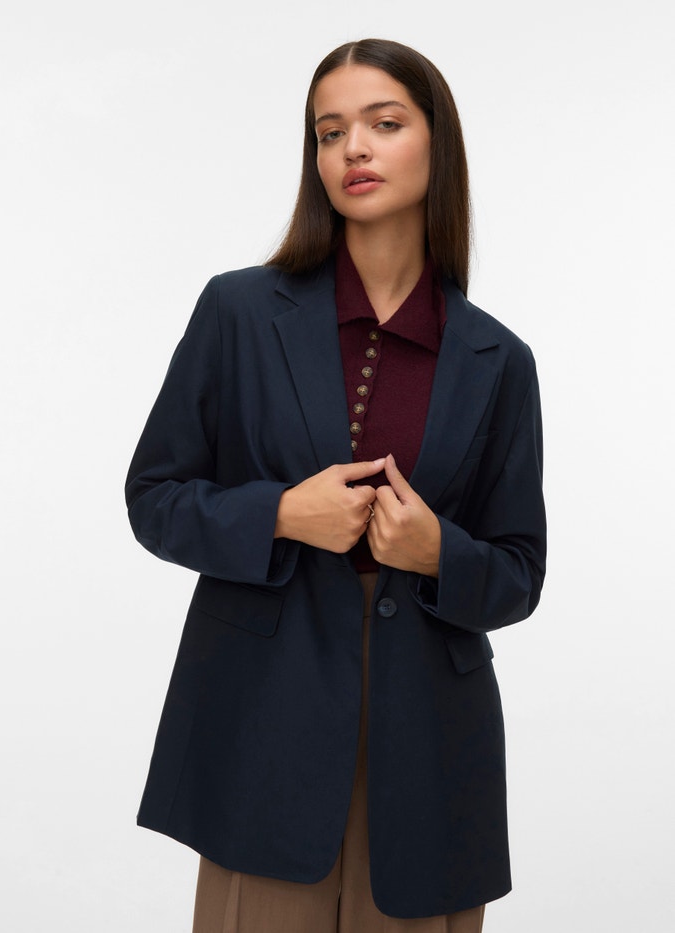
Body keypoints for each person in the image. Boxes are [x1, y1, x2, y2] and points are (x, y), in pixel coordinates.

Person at [125, 38, 546, 933]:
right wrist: (280, 513)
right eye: (329, 132)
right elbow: (154, 496)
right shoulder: (240, 311)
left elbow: (520, 571)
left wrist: (438, 553)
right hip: (263, 718)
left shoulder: (499, 359)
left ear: (437, 145)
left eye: (383, 123)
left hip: (429, 739)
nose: (353, 147)